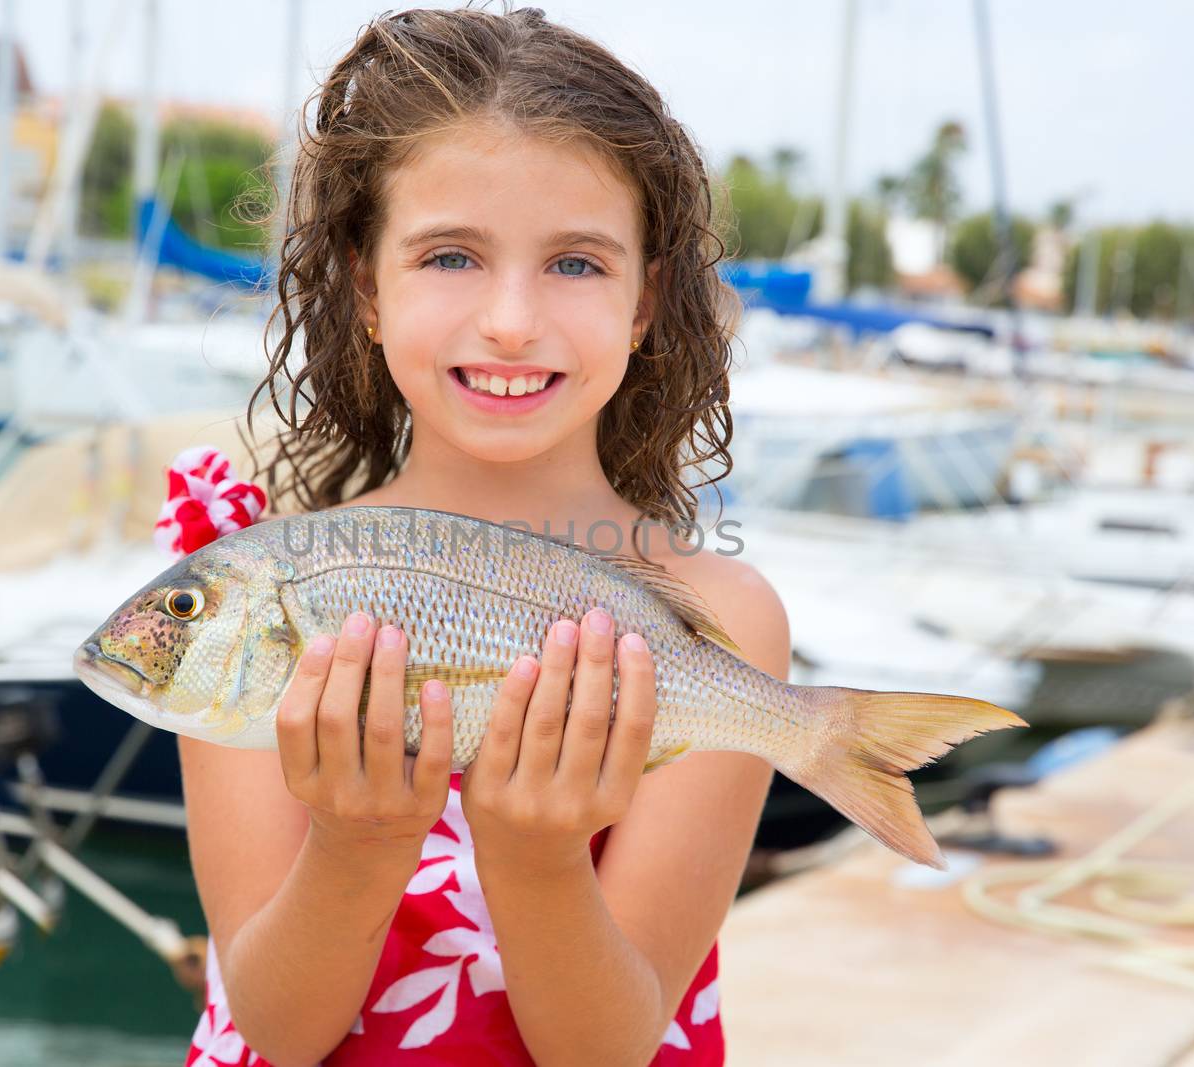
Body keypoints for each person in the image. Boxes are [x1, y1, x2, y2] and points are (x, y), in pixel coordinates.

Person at [179, 6, 790, 1064]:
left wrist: (540, 853)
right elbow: (275, 1026)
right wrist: (356, 839)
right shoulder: (256, 584)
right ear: (367, 287)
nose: (511, 318)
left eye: (577, 264)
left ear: (646, 303)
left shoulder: (724, 620)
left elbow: (605, 1044)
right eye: (452, 255)